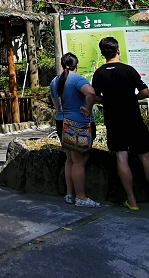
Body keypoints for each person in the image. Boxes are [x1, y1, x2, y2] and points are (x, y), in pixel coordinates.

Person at [89, 36, 149, 212]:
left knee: (121, 157)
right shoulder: (128, 70)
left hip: (113, 120)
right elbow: (145, 92)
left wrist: (108, 100)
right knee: (146, 157)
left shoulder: (99, 73)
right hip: (133, 118)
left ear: (102, 53)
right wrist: (132, 98)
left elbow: (95, 96)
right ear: (118, 51)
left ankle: (132, 200)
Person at [50, 52, 100, 208]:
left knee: (70, 159)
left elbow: (55, 103)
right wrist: (88, 108)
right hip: (78, 123)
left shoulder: (55, 81)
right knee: (79, 161)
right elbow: (91, 92)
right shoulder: (77, 79)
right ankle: (81, 197)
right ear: (76, 65)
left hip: (61, 121)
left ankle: (69, 194)